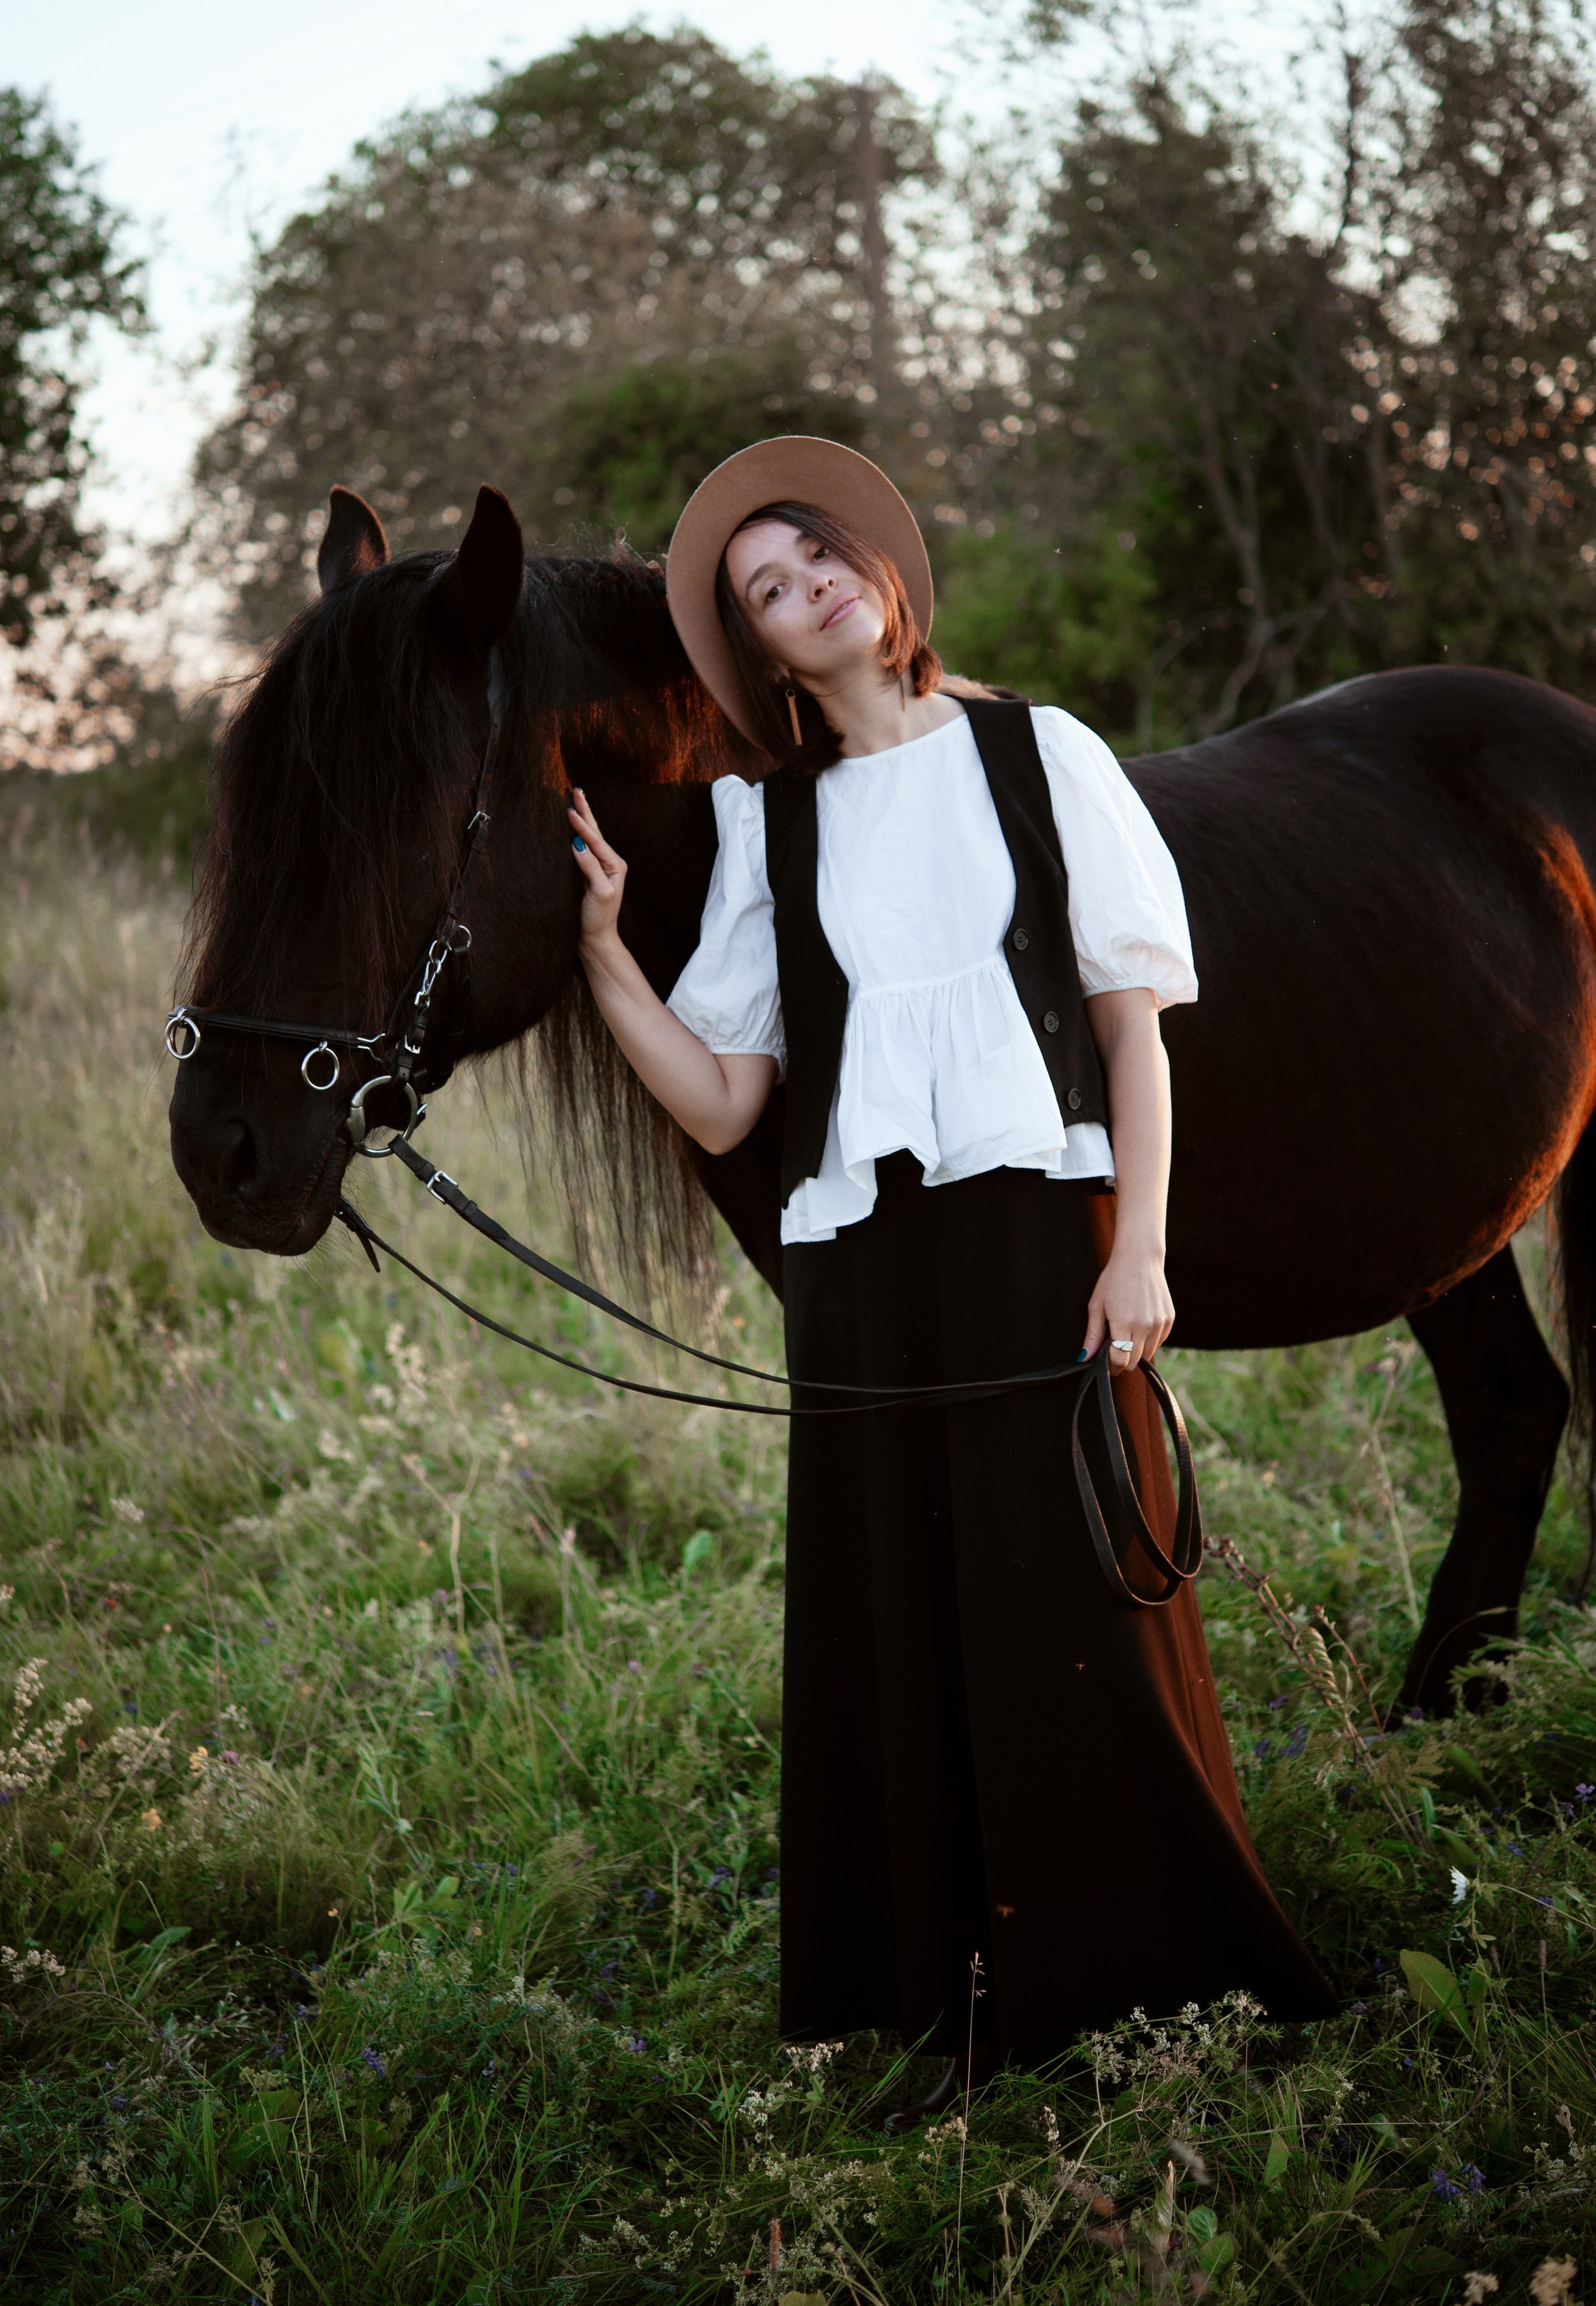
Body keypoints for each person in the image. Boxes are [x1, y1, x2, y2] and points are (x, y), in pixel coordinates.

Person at [565, 437, 1334, 2121]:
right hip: (860, 1274)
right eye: (766, 591)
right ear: (760, 652)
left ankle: (1146, 1984)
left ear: (881, 577)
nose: (805, 591)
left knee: (1077, 1604)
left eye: (816, 558)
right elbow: (725, 1101)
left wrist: (1138, 1247)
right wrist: (609, 962)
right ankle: (949, 2014)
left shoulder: (1036, 754)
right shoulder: (765, 829)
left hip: (1035, 1237)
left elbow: (1132, 1030)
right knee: (899, 1621)